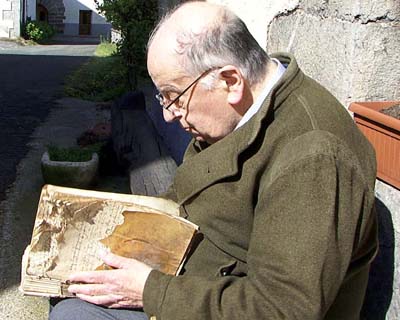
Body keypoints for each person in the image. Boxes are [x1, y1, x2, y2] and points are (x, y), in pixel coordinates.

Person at [50, 2, 378, 319]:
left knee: (75, 314)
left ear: (230, 81)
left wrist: (150, 292)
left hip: (207, 301)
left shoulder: (313, 155)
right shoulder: (242, 111)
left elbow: (282, 309)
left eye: (174, 96)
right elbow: (183, 197)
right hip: (192, 283)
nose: (167, 114)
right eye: (161, 97)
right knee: (67, 281)